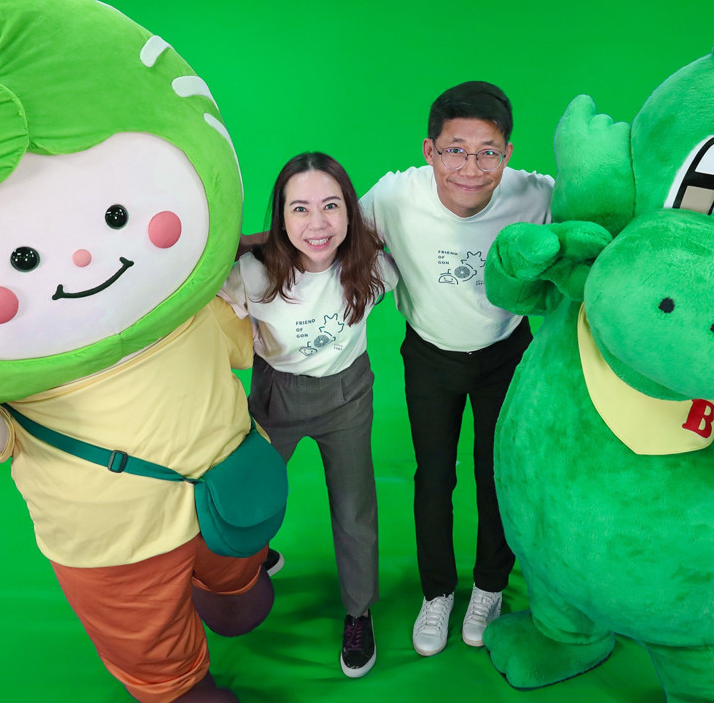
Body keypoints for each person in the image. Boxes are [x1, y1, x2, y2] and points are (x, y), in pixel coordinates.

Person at [359, 81, 553, 657]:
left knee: (498, 474)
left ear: (508, 153)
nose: (471, 168)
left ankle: (489, 588)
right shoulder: (394, 197)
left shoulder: (536, 195)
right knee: (434, 476)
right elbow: (324, 234)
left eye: (487, 152)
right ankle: (437, 592)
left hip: (505, 352)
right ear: (429, 150)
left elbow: (600, 224)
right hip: (430, 354)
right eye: (455, 151)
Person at [221, 152, 397, 678]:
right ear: (280, 217)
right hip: (277, 393)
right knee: (247, 491)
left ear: (350, 212)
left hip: (348, 396)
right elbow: (197, 286)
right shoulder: (252, 275)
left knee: (354, 507)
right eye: (299, 209)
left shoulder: (374, 266)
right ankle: (253, 558)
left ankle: (358, 610)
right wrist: (246, 244)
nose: (317, 223)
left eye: (330, 206)